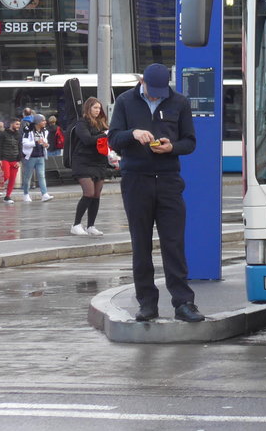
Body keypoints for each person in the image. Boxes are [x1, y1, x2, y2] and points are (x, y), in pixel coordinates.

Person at [108, 63, 205, 323]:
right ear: (143, 82)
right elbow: (113, 139)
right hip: (136, 180)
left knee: (174, 243)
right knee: (141, 245)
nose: (156, 97)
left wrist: (171, 147)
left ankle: (184, 303)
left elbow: (190, 142)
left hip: (168, 180)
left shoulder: (179, 102)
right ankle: (147, 304)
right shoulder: (125, 101)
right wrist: (133, 133)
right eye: (153, 92)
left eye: (161, 92)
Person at [68, 97, 111, 237]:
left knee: (96, 195)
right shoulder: (82, 122)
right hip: (83, 161)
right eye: (95, 108)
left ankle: (91, 225)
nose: (98, 110)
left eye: (99, 108)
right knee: (89, 193)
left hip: (99, 162)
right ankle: (76, 224)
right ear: (88, 108)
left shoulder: (102, 123)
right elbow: (87, 140)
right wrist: (103, 135)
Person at [18, 115, 53, 202]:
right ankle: (26, 194)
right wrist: (35, 142)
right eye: (43, 121)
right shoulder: (28, 131)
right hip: (30, 156)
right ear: (37, 122)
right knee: (27, 176)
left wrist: (46, 145)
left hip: (40, 156)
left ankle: (44, 194)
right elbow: (24, 143)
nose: (45, 122)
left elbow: (45, 142)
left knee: (41, 175)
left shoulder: (44, 131)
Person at [0, 118, 23, 203]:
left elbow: (20, 147)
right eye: (17, 124)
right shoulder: (3, 134)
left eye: (19, 124)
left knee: (12, 179)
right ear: (11, 124)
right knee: (6, 175)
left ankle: (8, 196)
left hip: (15, 159)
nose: (18, 126)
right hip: (5, 158)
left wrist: (19, 161)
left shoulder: (19, 135)